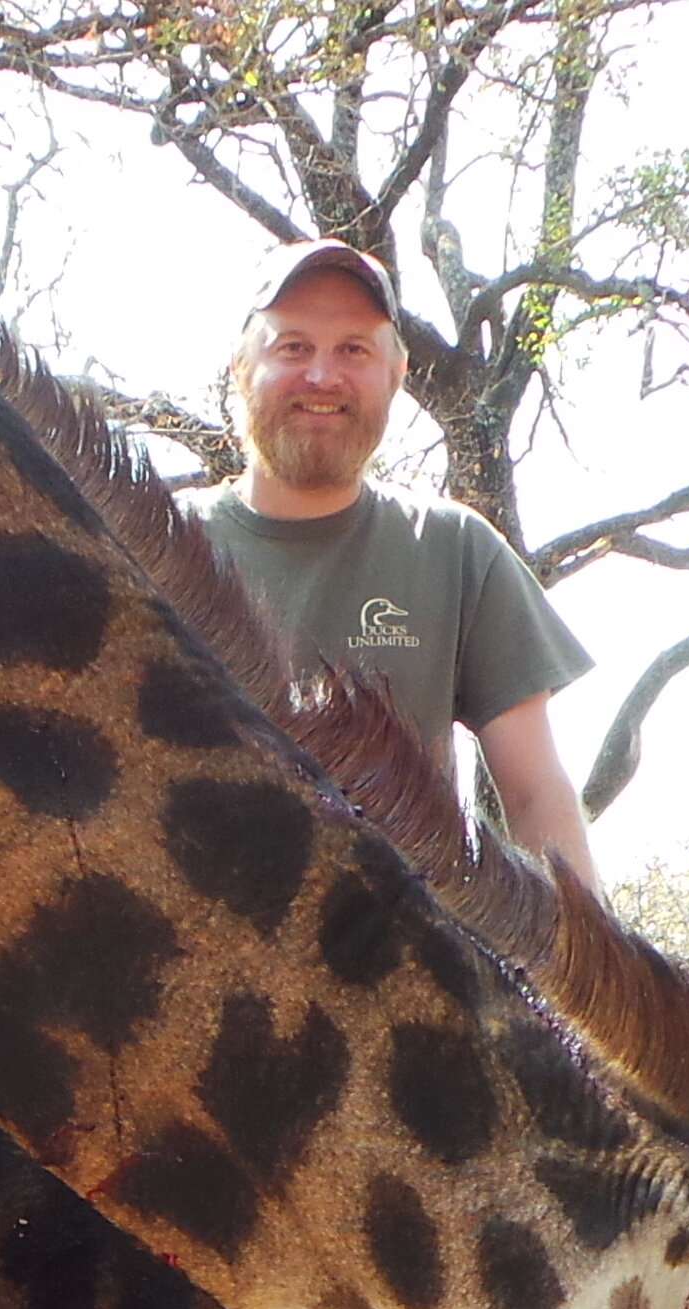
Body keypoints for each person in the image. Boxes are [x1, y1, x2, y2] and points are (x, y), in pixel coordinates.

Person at [189, 239, 604, 893]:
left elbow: (534, 797)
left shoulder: (456, 549)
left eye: (354, 349)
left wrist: (588, 978)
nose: (323, 376)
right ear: (241, 369)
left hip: (402, 971)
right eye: (293, 347)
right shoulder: (151, 547)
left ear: (396, 374)